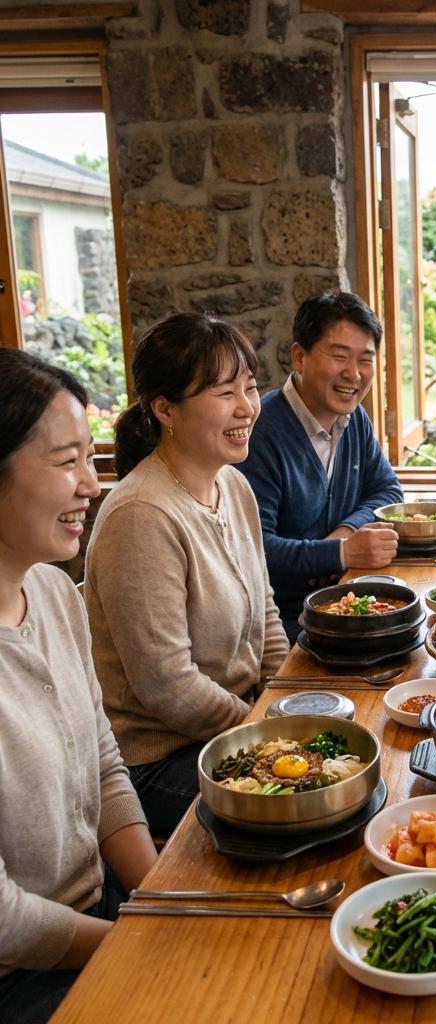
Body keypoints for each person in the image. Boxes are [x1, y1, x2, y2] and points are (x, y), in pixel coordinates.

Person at [85, 312, 290, 834]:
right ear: (164, 408)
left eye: (250, 387)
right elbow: (169, 687)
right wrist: (267, 731)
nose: (247, 407)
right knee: (319, 803)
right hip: (159, 761)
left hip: (236, 727)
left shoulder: (233, 485)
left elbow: (266, 613)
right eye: (224, 393)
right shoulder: (141, 514)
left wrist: (283, 702)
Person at [0, 349, 157, 1023]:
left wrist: (161, 900)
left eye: (90, 459)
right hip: (21, 974)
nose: (92, 485)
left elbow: (102, 762)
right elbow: (6, 922)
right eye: (67, 462)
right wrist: (140, 944)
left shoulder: (54, 592)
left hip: (101, 913)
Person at [239, 291, 403, 640]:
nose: (353, 374)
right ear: (299, 357)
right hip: (283, 625)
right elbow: (254, 549)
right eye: (339, 356)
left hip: (347, 607)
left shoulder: (355, 419)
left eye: (365, 360)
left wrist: (346, 532)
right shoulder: (259, 433)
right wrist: (340, 554)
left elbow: (387, 490)